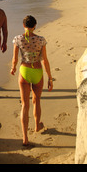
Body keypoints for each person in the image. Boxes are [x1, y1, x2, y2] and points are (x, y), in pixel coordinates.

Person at [10, 15, 53, 146]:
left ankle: (25, 138)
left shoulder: (18, 39)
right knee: (36, 100)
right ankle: (37, 126)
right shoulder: (41, 40)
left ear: (24, 26)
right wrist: (50, 78)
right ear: (35, 26)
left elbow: (15, 59)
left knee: (24, 104)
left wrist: (13, 68)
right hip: (38, 71)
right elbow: (45, 60)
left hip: (24, 71)